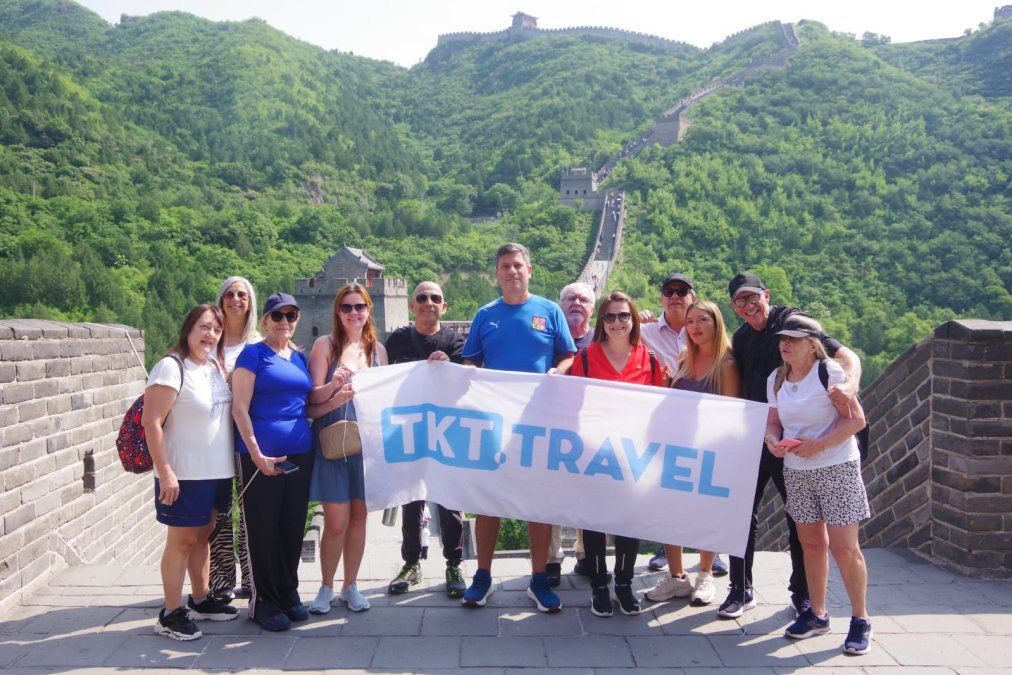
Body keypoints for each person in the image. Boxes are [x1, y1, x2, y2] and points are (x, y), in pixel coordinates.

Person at [720, 272, 862, 620]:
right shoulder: (741, 338)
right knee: (741, 515)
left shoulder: (791, 322)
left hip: (797, 441)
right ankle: (740, 588)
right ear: (734, 307)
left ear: (766, 295)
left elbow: (847, 356)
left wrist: (851, 387)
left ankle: (802, 595)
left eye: (754, 297)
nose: (750, 305)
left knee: (800, 523)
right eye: (741, 300)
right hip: (757, 436)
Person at [460, 242, 576, 613]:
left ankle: (539, 579)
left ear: (529, 270)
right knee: (487, 501)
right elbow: (471, 362)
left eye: (518, 266)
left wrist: (561, 370)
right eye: (505, 266)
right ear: (496, 274)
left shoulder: (549, 310)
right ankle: (482, 577)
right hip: (494, 422)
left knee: (537, 503)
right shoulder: (485, 315)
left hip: (538, 422)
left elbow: (569, 354)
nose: (512, 272)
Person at [765, 315, 871, 654]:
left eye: (794, 339)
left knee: (844, 547)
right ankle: (818, 614)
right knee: (811, 544)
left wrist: (819, 445)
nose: (786, 344)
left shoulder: (830, 374)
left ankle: (860, 619)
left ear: (812, 344)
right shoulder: (776, 379)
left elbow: (856, 420)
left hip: (837, 466)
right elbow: (773, 421)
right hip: (797, 470)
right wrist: (773, 441)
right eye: (784, 338)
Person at [144, 304, 238, 640]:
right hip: (183, 471)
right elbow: (150, 422)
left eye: (216, 329)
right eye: (204, 327)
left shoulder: (213, 366)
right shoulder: (170, 368)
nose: (210, 334)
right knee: (182, 540)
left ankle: (200, 599)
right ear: (188, 329)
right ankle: (170, 613)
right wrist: (165, 471)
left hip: (216, 471)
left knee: (204, 534)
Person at [569, 291, 664, 617]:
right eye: (610, 317)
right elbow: (570, 405)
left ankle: (623, 584)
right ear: (602, 322)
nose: (617, 322)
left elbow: (660, 409)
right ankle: (599, 585)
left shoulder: (648, 359)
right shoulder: (585, 358)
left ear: (633, 320)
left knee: (629, 522)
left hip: (633, 453)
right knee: (595, 521)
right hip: (595, 452)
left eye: (624, 316)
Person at [644, 300, 740, 607]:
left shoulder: (726, 365)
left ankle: (705, 575)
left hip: (708, 451)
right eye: (690, 322)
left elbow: (732, 413)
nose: (696, 327)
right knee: (669, 513)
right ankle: (676, 577)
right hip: (676, 447)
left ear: (716, 324)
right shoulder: (685, 358)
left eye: (703, 320)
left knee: (704, 514)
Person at [232, 292, 314, 632]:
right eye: (277, 316)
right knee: (263, 529)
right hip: (261, 457)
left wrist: (339, 392)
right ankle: (263, 602)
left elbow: (307, 404)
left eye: (291, 316)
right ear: (265, 320)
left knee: (292, 527)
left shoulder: (299, 357)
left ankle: (287, 591)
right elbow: (239, 408)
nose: (284, 322)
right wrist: (255, 453)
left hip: (299, 454)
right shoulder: (252, 355)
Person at [307, 284, 389, 614]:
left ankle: (350, 586)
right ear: (337, 312)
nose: (353, 313)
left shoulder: (377, 351)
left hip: (367, 445)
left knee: (359, 519)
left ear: (369, 310)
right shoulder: (325, 345)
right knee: (336, 520)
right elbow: (312, 397)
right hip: (332, 442)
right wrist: (335, 388)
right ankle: (326, 586)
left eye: (359, 306)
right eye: (346, 307)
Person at [383, 281, 467, 598]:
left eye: (435, 298)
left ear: (444, 306)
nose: (428, 302)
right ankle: (411, 563)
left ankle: (454, 563)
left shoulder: (456, 341)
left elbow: (466, 383)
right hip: (410, 430)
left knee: (450, 501)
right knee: (410, 500)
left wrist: (450, 369)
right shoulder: (398, 341)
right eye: (422, 297)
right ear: (412, 305)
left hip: (446, 432)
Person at [208, 276, 260, 603]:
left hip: (246, 435)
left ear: (250, 302)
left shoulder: (257, 344)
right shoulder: (208, 341)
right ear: (221, 299)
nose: (236, 299)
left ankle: (252, 577)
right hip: (211, 437)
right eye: (229, 294)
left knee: (250, 508)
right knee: (219, 509)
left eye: (242, 294)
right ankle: (220, 579)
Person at [553, 281, 597, 581]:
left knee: (591, 495)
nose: (576, 303)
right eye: (570, 299)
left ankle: (587, 554)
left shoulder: (602, 339)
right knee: (551, 497)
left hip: (592, 430)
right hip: (554, 427)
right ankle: (550, 559)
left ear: (593, 308)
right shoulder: (550, 339)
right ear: (560, 305)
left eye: (583, 299)